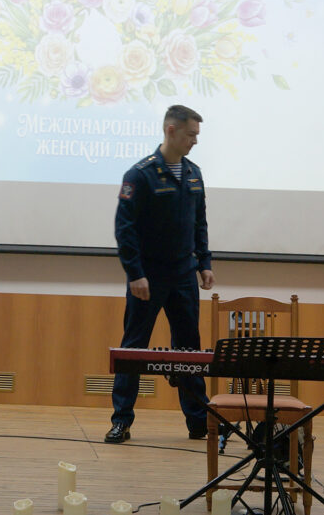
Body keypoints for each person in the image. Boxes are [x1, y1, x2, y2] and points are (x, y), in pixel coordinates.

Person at [106, 105, 215, 444]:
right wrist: (135, 273)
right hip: (148, 278)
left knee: (189, 351)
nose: (195, 141)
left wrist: (205, 262)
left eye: (196, 135)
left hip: (184, 274)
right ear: (171, 131)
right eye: (190, 135)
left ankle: (198, 421)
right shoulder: (140, 175)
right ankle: (122, 421)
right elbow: (125, 229)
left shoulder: (194, 173)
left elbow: (199, 223)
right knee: (134, 349)